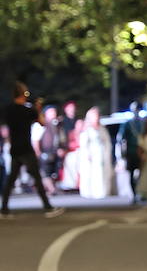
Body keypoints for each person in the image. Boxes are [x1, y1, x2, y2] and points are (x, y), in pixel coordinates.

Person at [1, 82, 62, 218]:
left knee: (11, 180)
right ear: (23, 95)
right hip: (26, 149)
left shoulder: (8, 109)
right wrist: (38, 109)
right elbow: (42, 122)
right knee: (37, 178)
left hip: (15, 148)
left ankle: (4, 209)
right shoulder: (28, 110)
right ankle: (48, 207)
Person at [77, 107, 114, 199]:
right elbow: (84, 143)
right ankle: (91, 191)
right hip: (91, 154)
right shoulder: (87, 129)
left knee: (102, 172)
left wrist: (107, 151)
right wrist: (87, 153)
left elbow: (107, 141)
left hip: (102, 153)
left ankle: (102, 191)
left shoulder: (102, 128)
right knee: (92, 172)